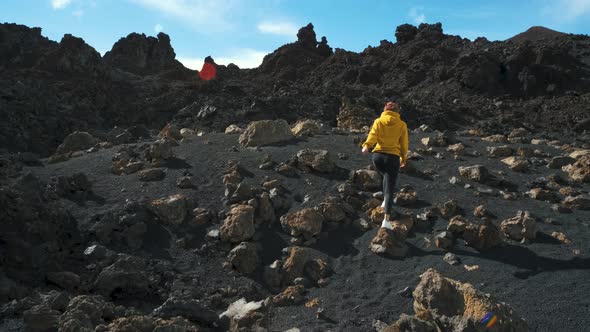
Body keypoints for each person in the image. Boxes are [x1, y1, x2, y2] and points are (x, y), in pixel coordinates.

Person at [361, 101, 408, 230]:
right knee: (390, 189)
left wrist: (366, 146)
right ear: (397, 111)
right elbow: (404, 144)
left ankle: (383, 203)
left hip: (377, 157)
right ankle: (386, 221)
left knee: (384, 175)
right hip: (392, 158)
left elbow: (372, 135)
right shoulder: (402, 124)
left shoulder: (378, 121)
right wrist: (403, 158)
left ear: (385, 109)